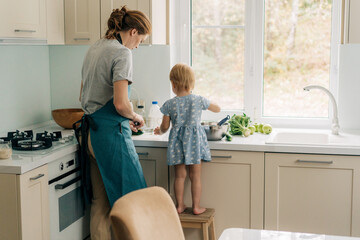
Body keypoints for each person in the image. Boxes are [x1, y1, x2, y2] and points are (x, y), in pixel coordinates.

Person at [76, 6, 151, 240]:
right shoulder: (122, 53)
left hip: (90, 136)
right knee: (132, 199)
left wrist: (119, 117)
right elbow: (121, 104)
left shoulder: (95, 47)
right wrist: (135, 117)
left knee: (101, 203)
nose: (138, 46)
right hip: (110, 137)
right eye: (140, 40)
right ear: (133, 31)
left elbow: (83, 96)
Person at [154, 63, 221, 215]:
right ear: (191, 83)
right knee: (195, 176)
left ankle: (179, 205)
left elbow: (165, 126)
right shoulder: (198, 100)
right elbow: (217, 108)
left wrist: (160, 131)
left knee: (179, 176)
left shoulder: (169, 104)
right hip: (195, 143)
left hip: (177, 143)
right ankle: (196, 207)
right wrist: (211, 103)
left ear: (173, 84)